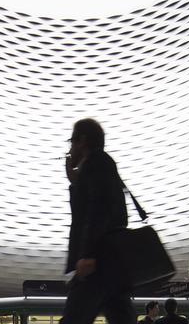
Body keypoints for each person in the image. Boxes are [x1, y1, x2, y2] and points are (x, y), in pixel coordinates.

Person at [61, 118, 134, 324]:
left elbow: (98, 211)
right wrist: (76, 181)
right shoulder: (102, 164)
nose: (70, 149)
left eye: (72, 142)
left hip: (97, 264)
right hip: (111, 265)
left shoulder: (96, 163)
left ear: (82, 141)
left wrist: (88, 255)